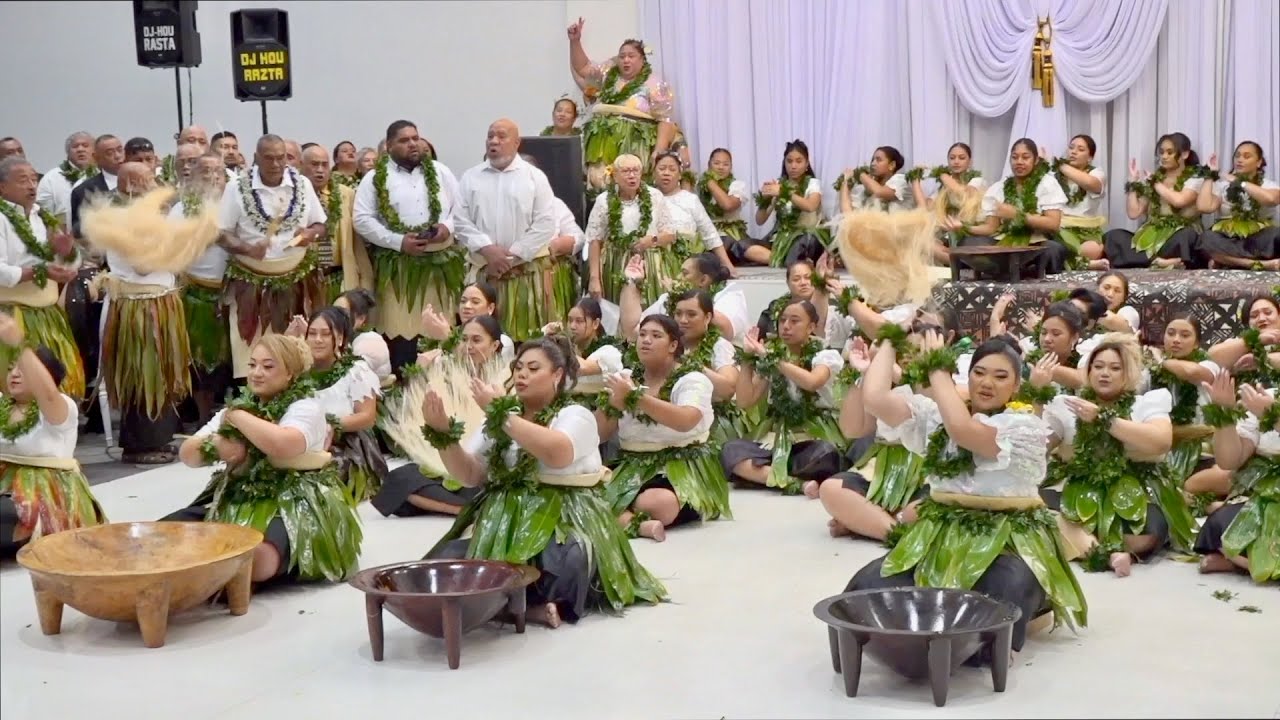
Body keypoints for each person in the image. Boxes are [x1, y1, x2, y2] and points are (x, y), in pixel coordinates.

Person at [847, 332, 1087, 655]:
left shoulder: (1023, 428)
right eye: (979, 372)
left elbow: (964, 431)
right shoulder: (937, 419)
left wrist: (936, 368)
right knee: (869, 586)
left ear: (1017, 386)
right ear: (967, 376)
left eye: (1001, 376)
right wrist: (892, 334)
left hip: (1007, 541)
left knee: (1001, 593)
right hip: (940, 535)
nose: (987, 382)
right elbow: (875, 399)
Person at [422, 335, 668, 627]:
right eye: (519, 368)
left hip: (565, 516)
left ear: (558, 374)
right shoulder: (502, 416)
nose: (522, 374)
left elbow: (557, 453)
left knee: (568, 561)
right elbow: (471, 474)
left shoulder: (575, 415)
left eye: (533, 368)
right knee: (446, 563)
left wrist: (500, 415)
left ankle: (523, 607)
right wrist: (443, 438)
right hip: (502, 520)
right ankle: (519, 609)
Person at [169, 335, 362, 583]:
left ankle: (209, 575)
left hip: (295, 503)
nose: (257, 373)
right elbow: (188, 454)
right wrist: (218, 445)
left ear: (290, 373)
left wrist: (237, 417)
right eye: (252, 365)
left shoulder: (305, 407)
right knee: (167, 533)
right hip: (239, 497)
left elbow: (282, 444)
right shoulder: (240, 406)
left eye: (268, 367)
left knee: (259, 558)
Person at [84, 163, 210, 464]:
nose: (157, 185)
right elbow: (142, 264)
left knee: (160, 376)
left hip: (159, 301)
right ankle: (142, 444)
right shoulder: (127, 219)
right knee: (144, 375)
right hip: (142, 309)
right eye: (149, 180)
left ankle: (156, 438)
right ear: (131, 184)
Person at [1041, 333, 1193, 575]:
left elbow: (1161, 442)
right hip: (1078, 485)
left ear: (1129, 374)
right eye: (1098, 366)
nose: (1104, 373)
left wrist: (1103, 419)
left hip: (1137, 486)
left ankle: (1089, 544)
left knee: (1145, 535)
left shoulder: (1146, 404)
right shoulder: (1068, 405)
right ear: (1088, 372)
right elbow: (1036, 449)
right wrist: (1036, 395)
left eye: (1114, 368)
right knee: (1038, 509)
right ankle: (1106, 552)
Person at [595, 314, 729, 541]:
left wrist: (636, 398)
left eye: (656, 336)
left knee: (659, 503)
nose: (646, 340)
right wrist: (613, 405)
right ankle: (637, 525)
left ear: (673, 345)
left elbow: (686, 420)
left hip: (682, 466)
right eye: (643, 335)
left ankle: (621, 512)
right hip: (632, 465)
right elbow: (600, 434)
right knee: (585, 494)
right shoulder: (625, 378)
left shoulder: (692, 379)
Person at [373, 314, 509, 517]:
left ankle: (469, 507)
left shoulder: (506, 379)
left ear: (495, 345)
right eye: (465, 340)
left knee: (480, 486)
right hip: (450, 459)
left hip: (482, 468)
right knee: (399, 478)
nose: (469, 346)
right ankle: (466, 510)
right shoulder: (450, 374)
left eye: (477, 340)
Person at [353, 120, 463, 371]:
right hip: (398, 268)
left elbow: (461, 208)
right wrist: (398, 241)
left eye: (415, 138)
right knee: (401, 335)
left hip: (440, 267)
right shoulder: (374, 179)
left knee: (438, 332)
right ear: (389, 146)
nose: (413, 144)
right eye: (404, 140)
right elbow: (361, 219)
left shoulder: (440, 171)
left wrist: (446, 227)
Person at [218, 134, 327, 380]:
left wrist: (311, 233)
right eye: (269, 158)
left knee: (297, 350)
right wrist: (247, 248)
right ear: (256, 158)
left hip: (297, 278)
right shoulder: (237, 187)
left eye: (281, 158)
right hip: (252, 284)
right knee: (254, 351)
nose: (276, 164)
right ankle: (256, 404)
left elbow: (321, 225)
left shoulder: (303, 184)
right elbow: (221, 235)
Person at [455, 119, 572, 341]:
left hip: (525, 272)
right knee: (484, 338)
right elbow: (460, 221)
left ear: (517, 142)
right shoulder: (471, 177)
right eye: (490, 136)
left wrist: (512, 256)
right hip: (486, 272)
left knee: (528, 341)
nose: (493, 141)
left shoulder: (534, 177)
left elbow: (545, 222)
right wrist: (488, 250)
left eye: (501, 136)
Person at [0, 315, 106, 555]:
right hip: (5, 491)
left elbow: (47, 393)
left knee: (14, 516)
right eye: (10, 368)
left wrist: (19, 343)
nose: (14, 374)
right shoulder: (2, 404)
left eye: (23, 369)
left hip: (45, 496)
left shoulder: (61, 406)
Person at [721, 301, 845, 495]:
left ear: (812, 326)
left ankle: (765, 475)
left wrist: (773, 359)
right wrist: (746, 359)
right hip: (778, 439)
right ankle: (795, 483)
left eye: (794, 321)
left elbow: (812, 382)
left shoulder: (825, 355)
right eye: (782, 321)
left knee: (826, 454)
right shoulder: (772, 357)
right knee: (731, 450)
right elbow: (745, 401)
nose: (786, 326)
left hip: (813, 438)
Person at [0, 156, 83, 398]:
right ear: (2, 187)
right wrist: (40, 272)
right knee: (16, 383)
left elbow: (68, 261)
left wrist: (67, 254)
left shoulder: (41, 217)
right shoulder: (1, 218)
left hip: (47, 314)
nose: (31, 186)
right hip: (11, 316)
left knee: (54, 381)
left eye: (34, 179)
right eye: (22, 180)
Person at [289, 306, 385, 506]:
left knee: (318, 479)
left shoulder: (355, 370)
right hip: (303, 440)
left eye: (325, 334)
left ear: (339, 339)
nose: (317, 340)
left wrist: (330, 424)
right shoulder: (297, 371)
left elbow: (367, 416)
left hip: (347, 444)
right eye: (312, 334)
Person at [567, 19, 676, 193]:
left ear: (642, 60)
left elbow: (665, 119)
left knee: (631, 191)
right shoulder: (608, 74)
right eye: (622, 56)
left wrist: (659, 150)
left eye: (631, 56)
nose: (626, 60)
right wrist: (575, 41)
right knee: (601, 187)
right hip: (602, 144)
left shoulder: (654, 84)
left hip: (635, 145)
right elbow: (583, 68)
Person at [1195, 370, 1278, 583]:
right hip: (1263, 495)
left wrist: (1275, 418)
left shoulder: (1268, 406)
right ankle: (1250, 563)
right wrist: (1225, 414)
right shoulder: (1265, 398)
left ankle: (1241, 563)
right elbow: (1230, 461)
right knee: (1222, 525)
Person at [175, 152, 232, 426]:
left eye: (218, 173)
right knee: (201, 361)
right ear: (193, 177)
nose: (212, 178)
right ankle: (202, 417)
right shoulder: (181, 209)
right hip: (197, 293)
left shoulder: (236, 201)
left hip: (237, 290)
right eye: (205, 173)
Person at [959, 138, 1070, 275]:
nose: (1019, 162)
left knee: (1054, 250)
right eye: (1015, 157)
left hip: (1037, 242)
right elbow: (990, 228)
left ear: (1035, 160)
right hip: (1006, 244)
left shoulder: (1047, 184)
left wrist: (1018, 215)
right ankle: (1016, 269)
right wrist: (963, 227)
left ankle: (1010, 269)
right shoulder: (999, 188)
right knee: (969, 243)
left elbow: (1053, 224)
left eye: (1025, 157)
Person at [1103, 132, 1208, 270]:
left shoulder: (1195, 178)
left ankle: (1153, 261)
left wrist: (1156, 184)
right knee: (1113, 236)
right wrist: (1133, 184)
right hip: (1151, 234)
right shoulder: (1156, 178)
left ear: (1184, 154)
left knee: (1186, 236)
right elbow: (1134, 213)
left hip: (1178, 236)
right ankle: (1158, 262)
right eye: (1162, 152)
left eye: (1170, 152)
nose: (1164, 156)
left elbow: (1179, 201)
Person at [584, 153, 670, 304]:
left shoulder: (655, 196)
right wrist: (594, 279)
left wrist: (652, 240)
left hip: (649, 264)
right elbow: (594, 240)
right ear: (615, 176)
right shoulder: (603, 201)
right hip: (615, 264)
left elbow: (671, 234)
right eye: (626, 171)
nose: (632, 176)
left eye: (636, 170)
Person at [622, 252, 747, 346]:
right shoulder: (671, 298)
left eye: (684, 273)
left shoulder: (730, 295)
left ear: (703, 280)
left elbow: (725, 330)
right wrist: (632, 281)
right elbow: (633, 333)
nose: (677, 277)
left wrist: (679, 293)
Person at [740, 140, 825, 268]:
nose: (793, 166)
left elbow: (810, 206)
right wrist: (766, 199)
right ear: (784, 163)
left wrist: (784, 193)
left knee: (802, 244)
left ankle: (785, 259)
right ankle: (783, 259)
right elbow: (759, 220)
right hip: (780, 238)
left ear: (807, 163)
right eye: (789, 161)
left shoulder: (813, 184)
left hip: (804, 237)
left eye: (799, 161)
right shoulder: (778, 185)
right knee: (741, 246)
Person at [1197, 141, 1279, 270]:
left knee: (1276, 234)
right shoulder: (1223, 185)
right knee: (1206, 238)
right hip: (1228, 238)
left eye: (1246, 156)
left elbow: (1272, 199)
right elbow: (1204, 207)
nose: (1240, 160)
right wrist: (1209, 175)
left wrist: (1240, 182)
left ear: (1259, 162)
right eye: (1237, 156)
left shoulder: (1268, 184)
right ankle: (1258, 264)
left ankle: (1226, 261)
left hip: (1259, 238)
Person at [302, 143, 369, 302]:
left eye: (324, 165)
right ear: (301, 166)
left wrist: (366, 281)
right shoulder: (294, 197)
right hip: (307, 280)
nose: (320, 170)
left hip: (340, 277)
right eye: (314, 164)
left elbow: (357, 243)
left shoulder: (346, 194)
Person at [652, 152, 736, 276]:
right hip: (655, 263)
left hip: (689, 263)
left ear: (680, 175)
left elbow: (709, 233)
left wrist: (728, 264)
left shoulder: (690, 199)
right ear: (654, 173)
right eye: (662, 169)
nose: (666, 173)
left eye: (672, 169)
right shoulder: (647, 198)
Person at [908, 142, 987, 264]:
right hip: (948, 235)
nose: (956, 161)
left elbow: (963, 194)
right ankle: (957, 262)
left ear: (970, 161)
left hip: (969, 234)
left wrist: (941, 174)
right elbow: (924, 208)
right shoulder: (943, 187)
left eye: (961, 158)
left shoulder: (976, 180)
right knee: (922, 241)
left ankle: (963, 263)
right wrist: (915, 180)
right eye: (952, 158)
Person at [1046, 135, 1108, 270]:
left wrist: (1060, 165)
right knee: (1056, 246)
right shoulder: (1054, 174)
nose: (1073, 152)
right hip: (1060, 230)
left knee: (1093, 249)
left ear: (1090, 157)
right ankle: (1083, 264)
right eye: (1071, 147)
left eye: (1080, 149)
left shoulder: (1097, 173)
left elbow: (1091, 183)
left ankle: (1076, 262)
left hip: (1087, 230)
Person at [36, 132, 97, 230]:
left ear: (95, 150)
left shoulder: (101, 175)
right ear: (68, 153)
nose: (80, 149)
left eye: (85, 146)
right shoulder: (51, 178)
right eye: (75, 146)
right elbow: (43, 213)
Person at [697, 148, 751, 249]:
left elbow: (728, 205)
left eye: (726, 164)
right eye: (716, 163)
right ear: (709, 165)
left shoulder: (737, 185)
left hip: (731, 234)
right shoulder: (700, 186)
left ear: (731, 167)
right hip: (706, 233)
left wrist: (710, 182)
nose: (721, 167)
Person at [838, 146, 913, 214]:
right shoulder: (867, 190)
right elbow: (848, 214)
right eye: (872, 160)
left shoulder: (901, 180)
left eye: (878, 160)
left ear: (892, 165)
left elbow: (879, 192)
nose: (873, 164)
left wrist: (860, 173)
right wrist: (845, 182)